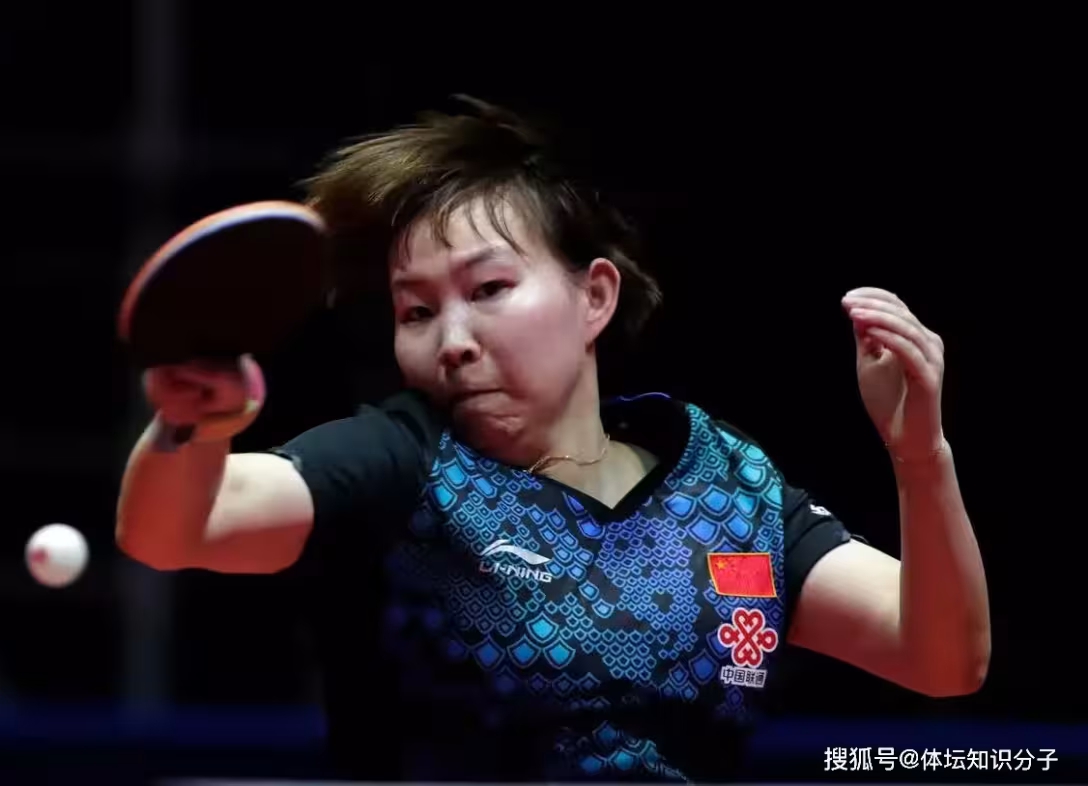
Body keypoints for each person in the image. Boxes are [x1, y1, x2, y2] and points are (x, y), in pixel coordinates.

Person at [116, 96, 991, 781]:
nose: (452, 339)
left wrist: (921, 460)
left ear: (594, 297)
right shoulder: (403, 463)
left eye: (488, 288)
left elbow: (942, 658)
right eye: (416, 311)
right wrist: (192, 425)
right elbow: (175, 529)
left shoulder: (729, 490)